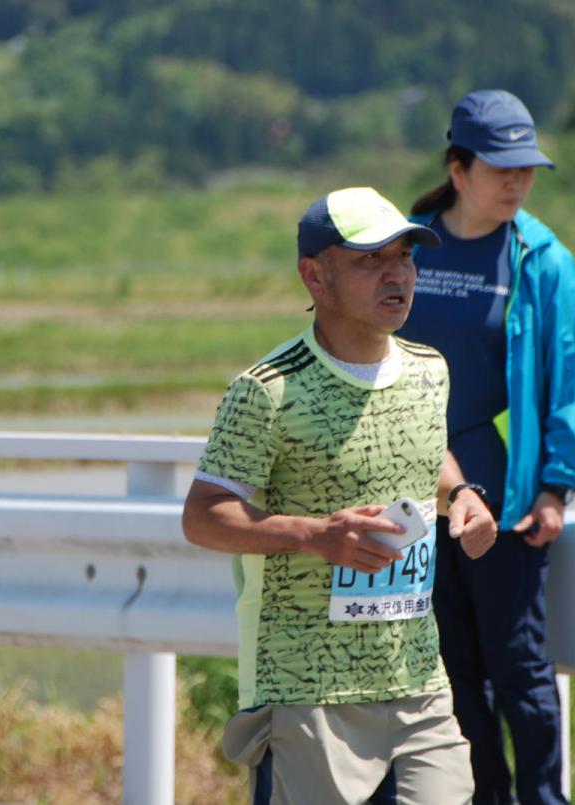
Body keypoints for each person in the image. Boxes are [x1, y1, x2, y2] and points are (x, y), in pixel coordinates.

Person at [182, 186, 498, 804]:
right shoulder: (267, 390)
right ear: (315, 276)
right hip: (307, 688)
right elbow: (203, 517)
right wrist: (318, 536)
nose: (396, 274)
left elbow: (425, 453)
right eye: (370, 259)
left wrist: (462, 494)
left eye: (404, 257)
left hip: (418, 679)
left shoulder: (429, 370)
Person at [397, 89, 575, 805]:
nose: (517, 182)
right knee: (450, 670)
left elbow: (571, 384)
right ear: (458, 170)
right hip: (416, 503)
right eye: (500, 168)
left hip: (506, 503)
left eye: (527, 168)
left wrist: (555, 488)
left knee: (519, 667)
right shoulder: (408, 245)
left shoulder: (542, 260)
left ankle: (544, 798)